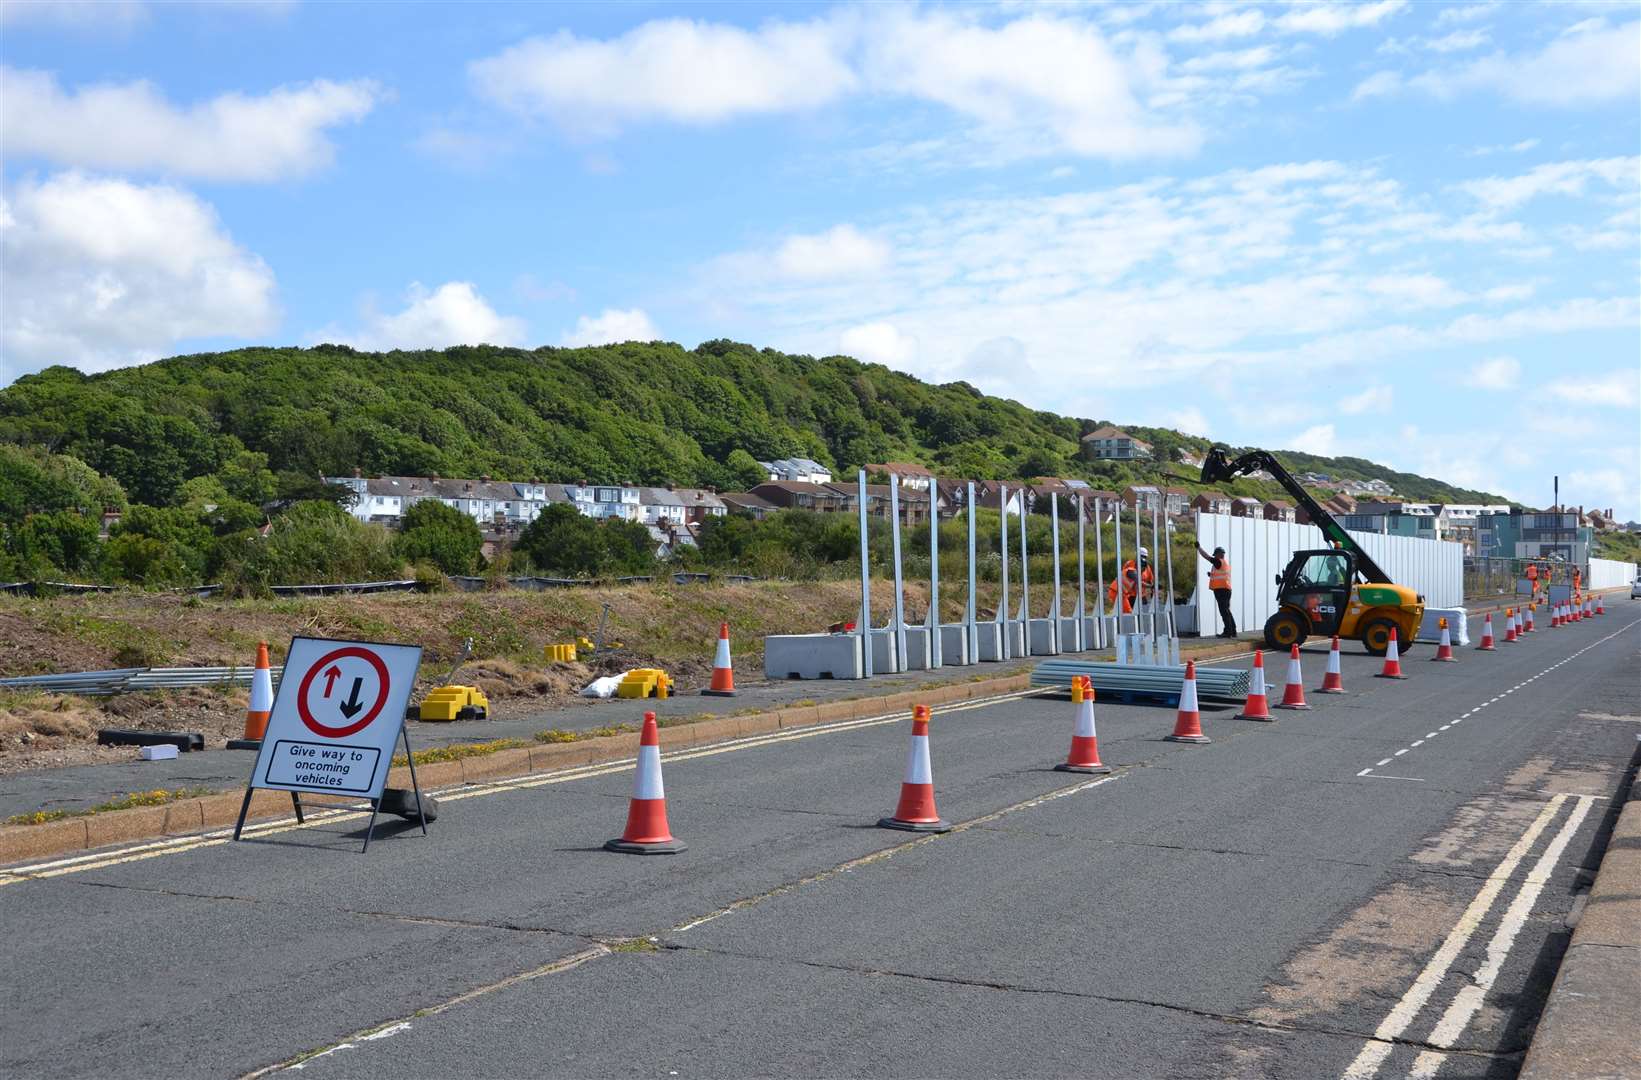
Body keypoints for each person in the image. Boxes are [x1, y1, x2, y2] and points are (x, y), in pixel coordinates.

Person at [1197, 543, 1236, 637]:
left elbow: (1207, 557)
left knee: (1224, 612)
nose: (1215, 557)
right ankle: (1232, 631)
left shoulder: (1218, 562)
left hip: (1221, 590)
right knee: (1227, 611)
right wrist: (1211, 575)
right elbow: (1222, 576)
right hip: (1226, 589)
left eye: (1216, 555)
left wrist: (1199, 548)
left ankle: (1228, 632)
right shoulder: (1224, 563)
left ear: (1219, 554)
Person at [1107, 547, 1155, 614]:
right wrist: (1151, 586)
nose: (1142, 570)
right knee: (1127, 612)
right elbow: (1139, 581)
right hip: (1119, 593)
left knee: (1126, 611)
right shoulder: (1131, 569)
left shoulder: (1144, 567)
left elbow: (1150, 579)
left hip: (1127, 594)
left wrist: (1152, 588)